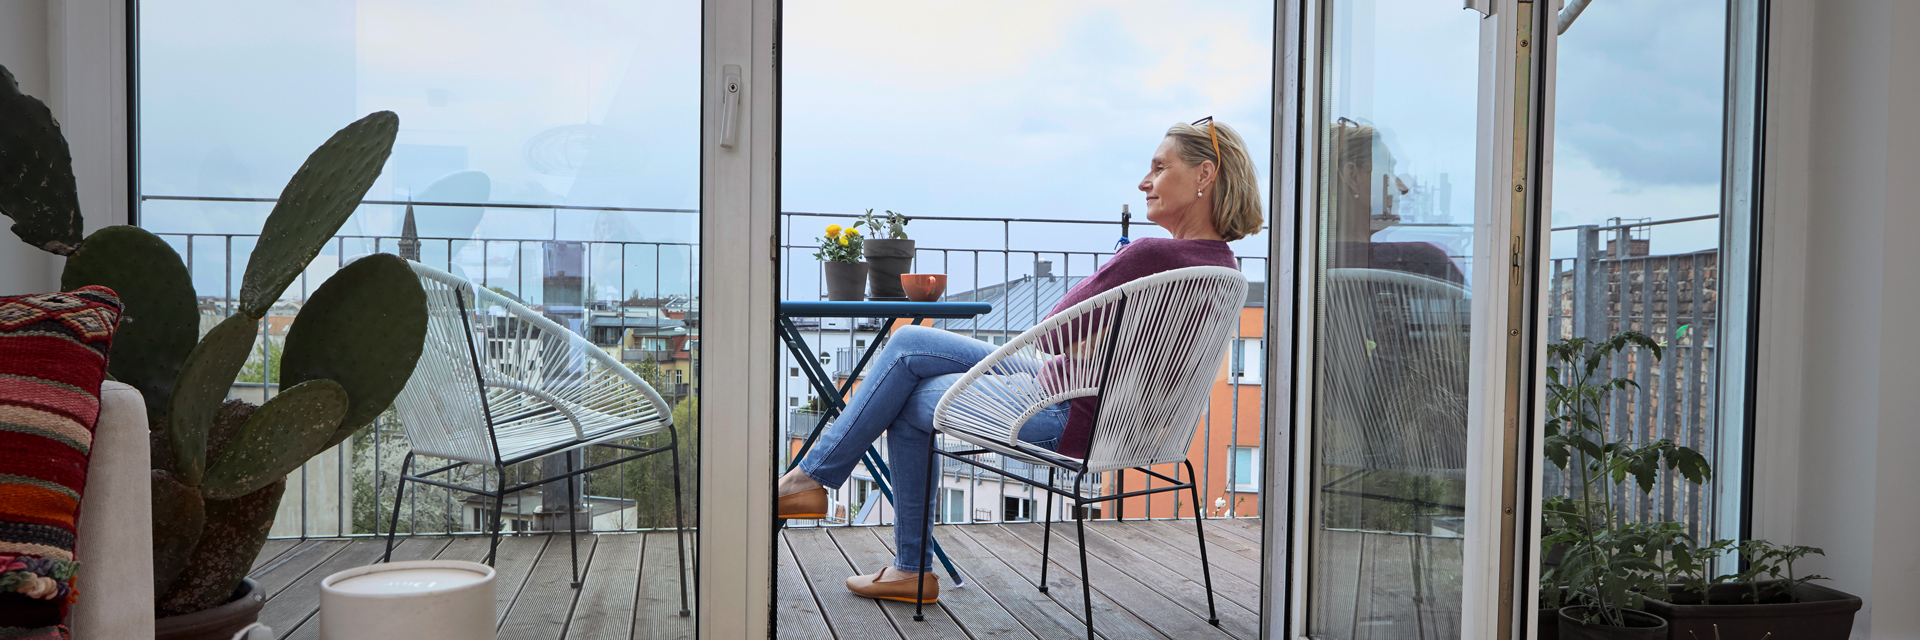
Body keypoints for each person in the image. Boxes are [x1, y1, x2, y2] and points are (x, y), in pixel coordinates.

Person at [775, 118, 1263, 604]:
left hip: (1064, 411)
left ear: (1204, 176)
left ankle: (846, 511)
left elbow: (1056, 332)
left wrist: (1106, 295)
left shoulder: (1152, 254)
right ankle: (825, 493)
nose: (1144, 181)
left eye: (1159, 167)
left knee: (903, 382)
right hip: (1120, 417)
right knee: (908, 349)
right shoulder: (1223, 268)